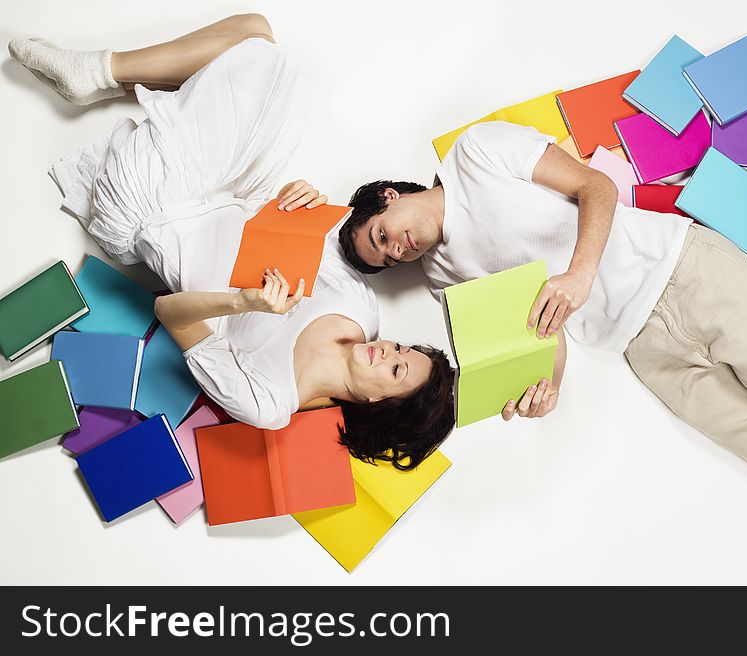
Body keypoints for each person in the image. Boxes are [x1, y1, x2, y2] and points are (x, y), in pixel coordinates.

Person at [10, 14, 455, 470]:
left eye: (396, 370)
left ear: (380, 404)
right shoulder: (362, 310)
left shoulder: (270, 402)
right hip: (234, 193)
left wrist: (242, 303)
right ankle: (111, 77)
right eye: (403, 349)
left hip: (158, 213)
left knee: (256, 53)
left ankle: (104, 72)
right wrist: (300, 200)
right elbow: (292, 230)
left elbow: (168, 312)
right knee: (259, 36)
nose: (389, 351)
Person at [338, 119, 747, 491]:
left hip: (683, 273)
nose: (397, 250)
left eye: (383, 236)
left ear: (390, 197)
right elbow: (541, 332)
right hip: (645, 349)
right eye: (387, 260)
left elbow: (595, 186)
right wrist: (543, 388)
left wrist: (580, 272)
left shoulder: (473, 154)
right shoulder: (441, 279)